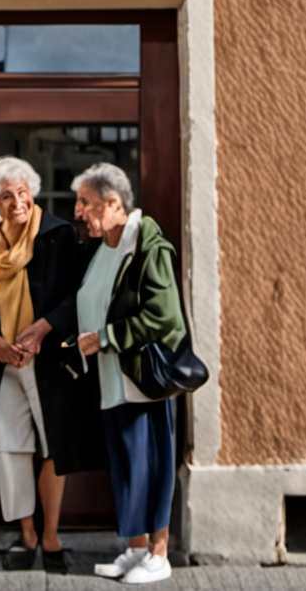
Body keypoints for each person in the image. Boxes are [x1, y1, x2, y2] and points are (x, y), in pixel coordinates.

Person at [0, 156, 88, 574]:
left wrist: (44, 327)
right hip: (4, 365)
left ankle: (51, 536)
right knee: (11, 449)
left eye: (22, 192)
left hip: (48, 360)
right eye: (6, 196)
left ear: (32, 192)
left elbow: (77, 295)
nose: (17, 202)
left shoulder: (59, 235)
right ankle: (28, 535)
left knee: (54, 447)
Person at [72, 162, 184, 585]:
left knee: (152, 464)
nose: (79, 212)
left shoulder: (147, 243)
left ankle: (159, 554)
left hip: (142, 380)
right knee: (127, 467)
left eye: (86, 202)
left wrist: (105, 337)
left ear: (113, 203)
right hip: (111, 381)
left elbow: (164, 316)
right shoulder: (106, 245)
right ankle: (137, 549)